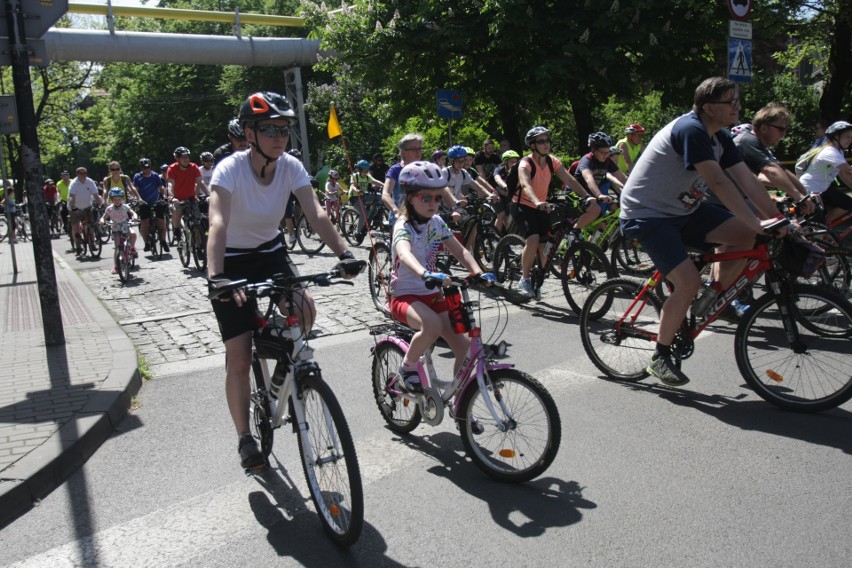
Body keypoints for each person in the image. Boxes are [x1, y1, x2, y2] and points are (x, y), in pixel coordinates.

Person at [206, 91, 362, 470]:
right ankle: (245, 436)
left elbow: (317, 214)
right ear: (249, 133)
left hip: (270, 251)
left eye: (284, 129)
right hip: (232, 259)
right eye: (269, 129)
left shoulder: (290, 165)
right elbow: (217, 223)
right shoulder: (229, 169)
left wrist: (343, 254)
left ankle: (274, 348)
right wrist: (217, 278)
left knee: (305, 312)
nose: (279, 137)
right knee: (240, 357)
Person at [619, 76, 787, 387]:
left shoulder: (719, 136)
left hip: (685, 211)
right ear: (708, 107)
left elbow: (747, 180)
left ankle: (714, 295)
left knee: (743, 236)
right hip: (649, 216)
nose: (738, 106)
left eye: (738, 100)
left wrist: (776, 218)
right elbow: (719, 183)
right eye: (730, 102)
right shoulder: (691, 129)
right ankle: (660, 356)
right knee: (687, 281)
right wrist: (759, 222)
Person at [389, 160, 495, 393]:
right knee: (432, 325)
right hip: (404, 295)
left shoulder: (436, 222)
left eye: (438, 198)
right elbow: (404, 253)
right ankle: (407, 368)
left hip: (432, 293)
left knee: (466, 350)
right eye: (426, 197)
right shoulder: (403, 225)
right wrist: (424, 273)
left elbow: (460, 250)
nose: (434, 203)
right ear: (410, 197)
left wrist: (477, 272)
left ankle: (460, 400)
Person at [515, 125, 599, 299]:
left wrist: (587, 196)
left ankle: (539, 274)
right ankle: (524, 279)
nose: (546, 144)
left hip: (542, 205)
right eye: (541, 141)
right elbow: (525, 185)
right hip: (523, 204)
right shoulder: (525, 163)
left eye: (547, 140)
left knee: (546, 245)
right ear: (532, 145)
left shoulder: (552, 161)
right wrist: (537, 201)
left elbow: (570, 179)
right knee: (533, 239)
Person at [732, 103, 815, 216]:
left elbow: (782, 170)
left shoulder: (761, 145)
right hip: (722, 201)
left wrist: (805, 194)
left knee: (780, 223)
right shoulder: (746, 141)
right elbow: (771, 170)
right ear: (764, 128)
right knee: (777, 226)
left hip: (739, 198)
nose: (784, 134)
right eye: (781, 129)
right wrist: (798, 196)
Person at [798, 120, 852, 225]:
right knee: (816, 228)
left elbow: (843, 174)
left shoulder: (838, 151)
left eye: (851, 137)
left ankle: (826, 225)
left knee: (848, 204)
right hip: (809, 191)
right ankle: (820, 234)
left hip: (823, 190)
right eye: (847, 136)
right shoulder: (830, 151)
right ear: (836, 136)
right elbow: (848, 171)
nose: (850, 140)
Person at [574, 132, 626, 216]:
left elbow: (622, 177)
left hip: (592, 194)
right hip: (577, 194)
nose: (606, 155)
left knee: (612, 210)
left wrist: (637, 188)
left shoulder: (608, 160)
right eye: (603, 153)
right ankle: (576, 229)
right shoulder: (587, 160)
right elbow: (589, 179)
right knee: (596, 210)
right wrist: (599, 195)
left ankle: (596, 229)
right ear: (593, 150)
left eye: (608, 152)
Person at [166, 146, 208, 241]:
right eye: (183, 157)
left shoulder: (194, 167)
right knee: (177, 211)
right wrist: (172, 197)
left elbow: (200, 182)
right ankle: (176, 230)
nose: (186, 159)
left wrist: (208, 194)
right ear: (177, 159)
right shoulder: (172, 168)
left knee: (197, 221)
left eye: (187, 157)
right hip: (178, 199)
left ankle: (198, 245)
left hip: (191, 198)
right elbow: (170, 184)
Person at [382, 133, 424, 225]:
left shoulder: (425, 169)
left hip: (421, 218)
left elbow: (442, 190)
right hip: (400, 219)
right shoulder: (395, 170)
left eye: (419, 149)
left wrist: (454, 205)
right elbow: (385, 194)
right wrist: (396, 211)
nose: (418, 152)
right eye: (414, 149)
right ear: (403, 152)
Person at [132, 158, 169, 252]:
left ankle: (163, 241)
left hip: (156, 200)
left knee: (161, 220)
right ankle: (146, 243)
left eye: (148, 167)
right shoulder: (137, 176)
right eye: (144, 167)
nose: (146, 169)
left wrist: (164, 196)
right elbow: (136, 189)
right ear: (141, 168)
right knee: (145, 222)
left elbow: (160, 187)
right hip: (144, 202)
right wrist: (139, 199)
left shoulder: (155, 175)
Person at [99, 187, 138, 272]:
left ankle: (132, 247)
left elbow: (132, 212)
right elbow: (104, 217)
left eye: (119, 199)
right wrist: (102, 221)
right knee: (117, 247)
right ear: (111, 200)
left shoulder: (125, 207)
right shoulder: (109, 209)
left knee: (133, 234)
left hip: (125, 225)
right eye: (115, 199)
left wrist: (135, 217)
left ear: (122, 199)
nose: (117, 201)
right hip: (116, 228)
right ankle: (116, 266)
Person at [68, 167, 103, 255]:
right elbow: (72, 196)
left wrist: (101, 204)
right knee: (75, 227)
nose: (83, 175)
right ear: (77, 174)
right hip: (75, 207)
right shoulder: (74, 183)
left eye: (85, 173)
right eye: (81, 173)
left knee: (90, 225)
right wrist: (73, 208)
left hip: (87, 206)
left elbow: (96, 195)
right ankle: (78, 247)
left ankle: (93, 243)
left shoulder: (90, 182)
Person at [349, 159, 384, 239]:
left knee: (378, 197)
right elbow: (352, 186)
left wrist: (384, 185)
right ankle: (357, 233)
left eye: (366, 171)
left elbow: (375, 181)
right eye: (364, 171)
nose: (365, 173)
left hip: (364, 196)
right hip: (355, 197)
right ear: (359, 170)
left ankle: (372, 218)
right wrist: (357, 190)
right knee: (363, 214)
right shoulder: (355, 176)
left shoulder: (367, 176)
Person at [492, 149, 519, 233]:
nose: (514, 164)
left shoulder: (518, 171)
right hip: (497, 195)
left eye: (516, 162)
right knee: (501, 215)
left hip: (509, 196)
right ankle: (495, 237)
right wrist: (504, 186)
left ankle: (505, 238)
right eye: (511, 161)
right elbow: (497, 178)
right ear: (505, 162)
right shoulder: (499, 170)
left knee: (509, 218)